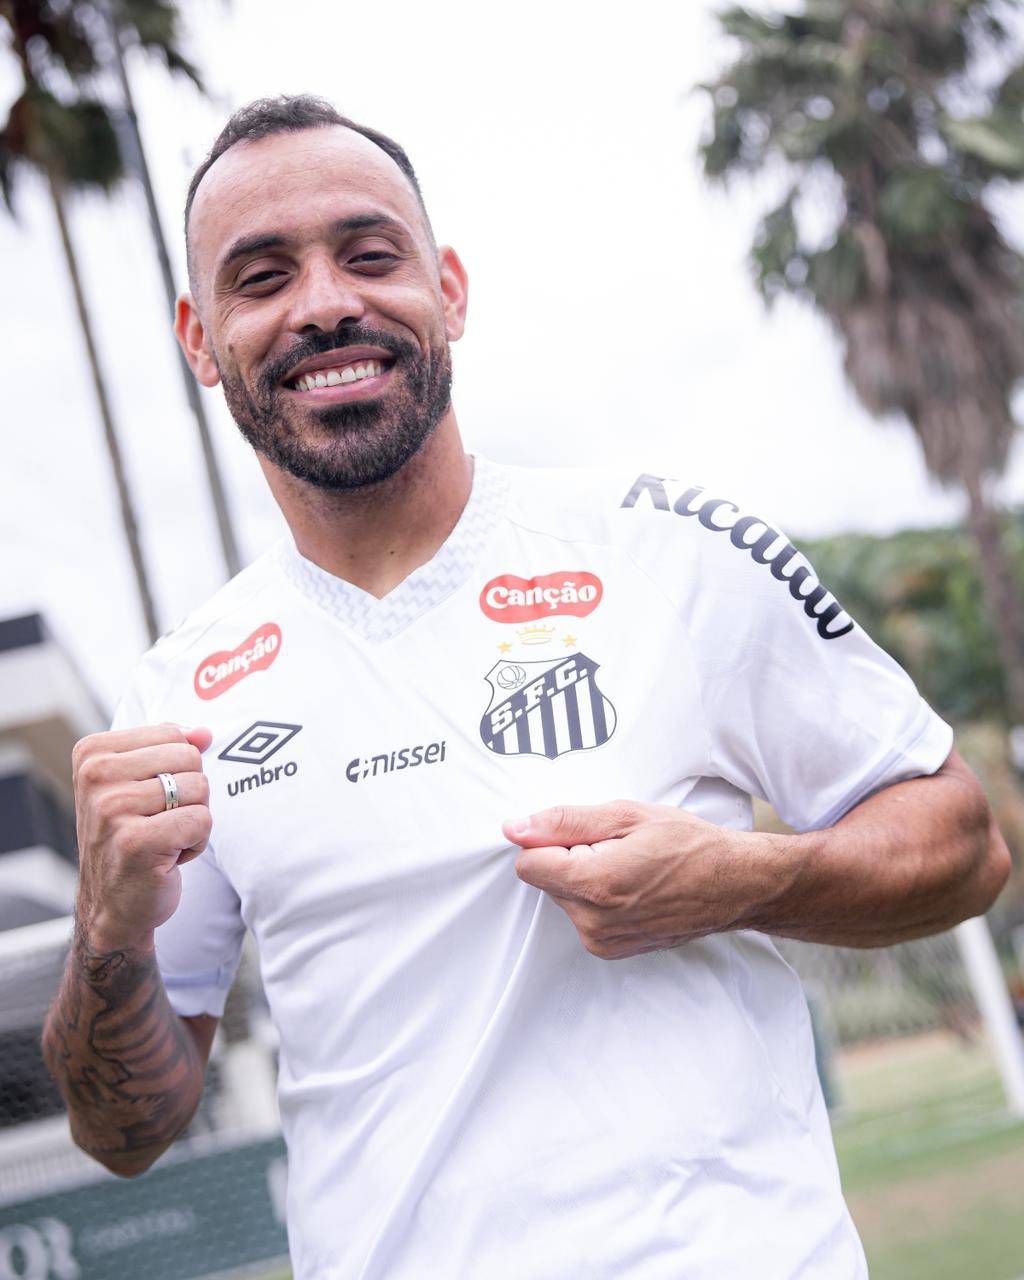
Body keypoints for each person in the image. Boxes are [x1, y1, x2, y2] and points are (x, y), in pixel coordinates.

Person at [42, 95, 1010, 1280]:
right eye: (262, 275)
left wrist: (739, 879)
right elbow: (123, 1128)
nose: (324, 302)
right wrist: (105, 928)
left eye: (369, 254)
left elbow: (962, 841)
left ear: (448, 288)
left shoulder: (666, 546)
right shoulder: (179, 693)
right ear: (201, 339)